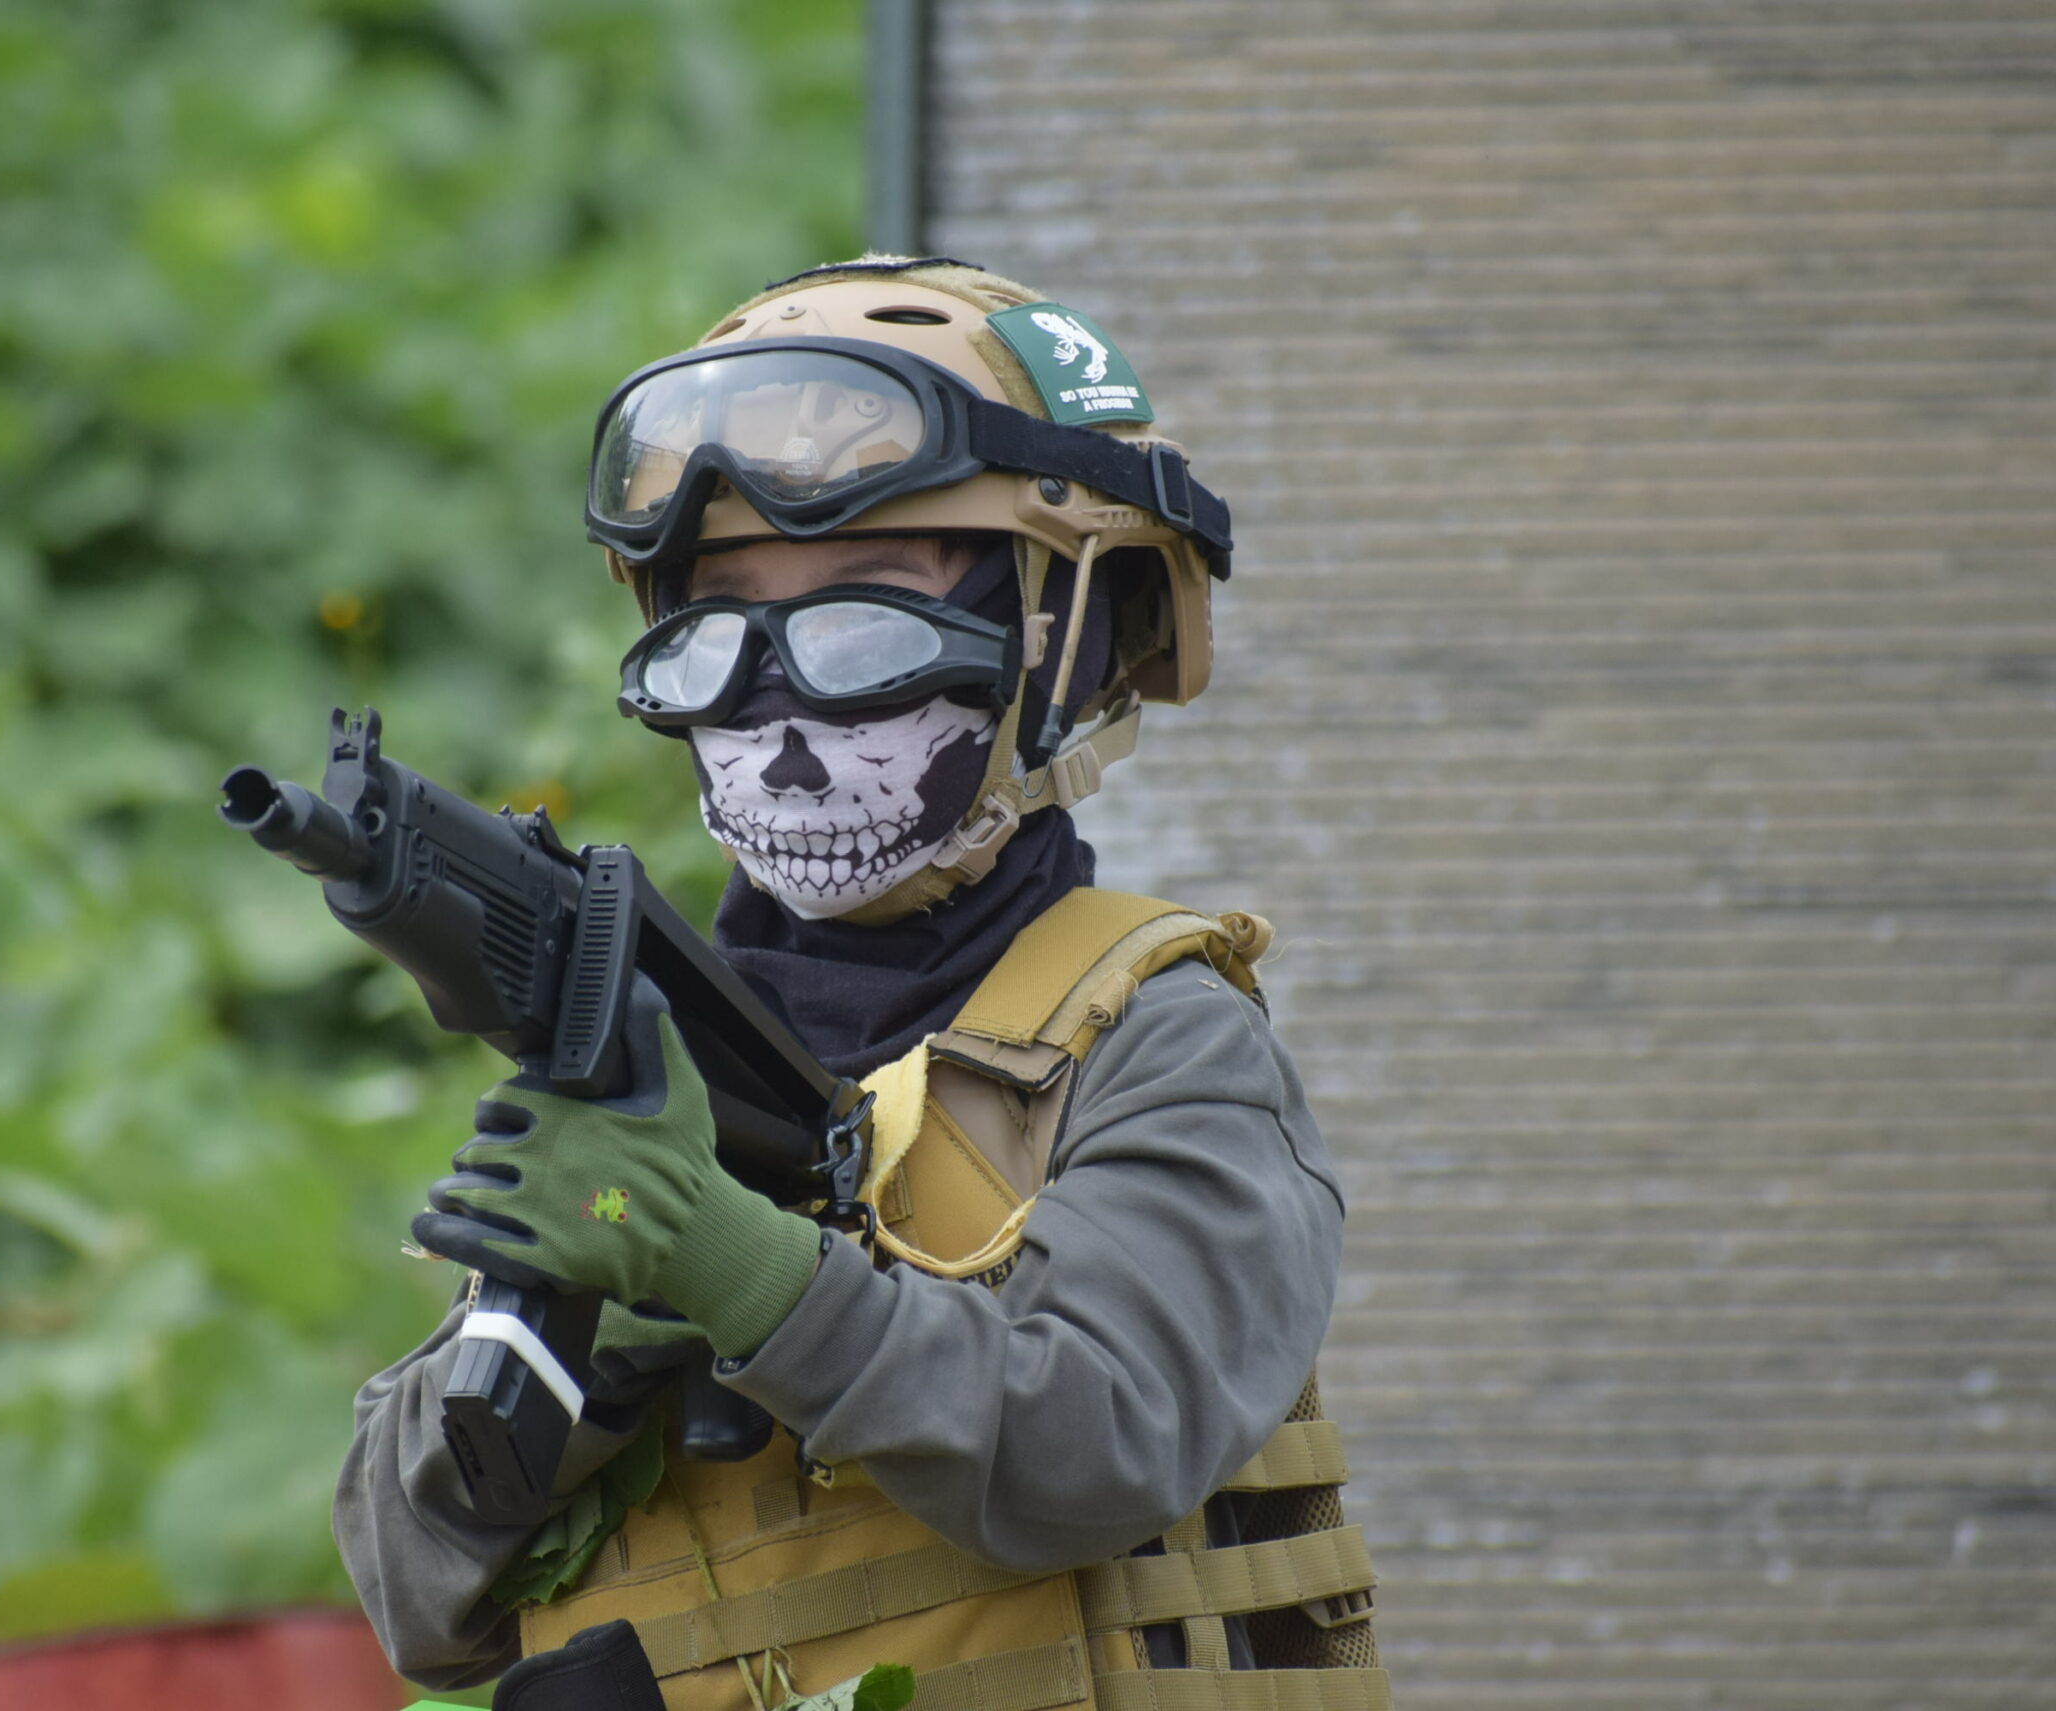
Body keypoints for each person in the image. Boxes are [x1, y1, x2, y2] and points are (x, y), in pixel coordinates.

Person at [336, 257, 1388, 1711]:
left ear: (1061, 645)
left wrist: (735, 1267)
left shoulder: (1158, 1042)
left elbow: (1095, 1452)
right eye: (718, 622)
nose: (777, 700)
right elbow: (416, 1602)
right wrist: (583, 1338)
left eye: (867, 616)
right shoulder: (650, 1060)